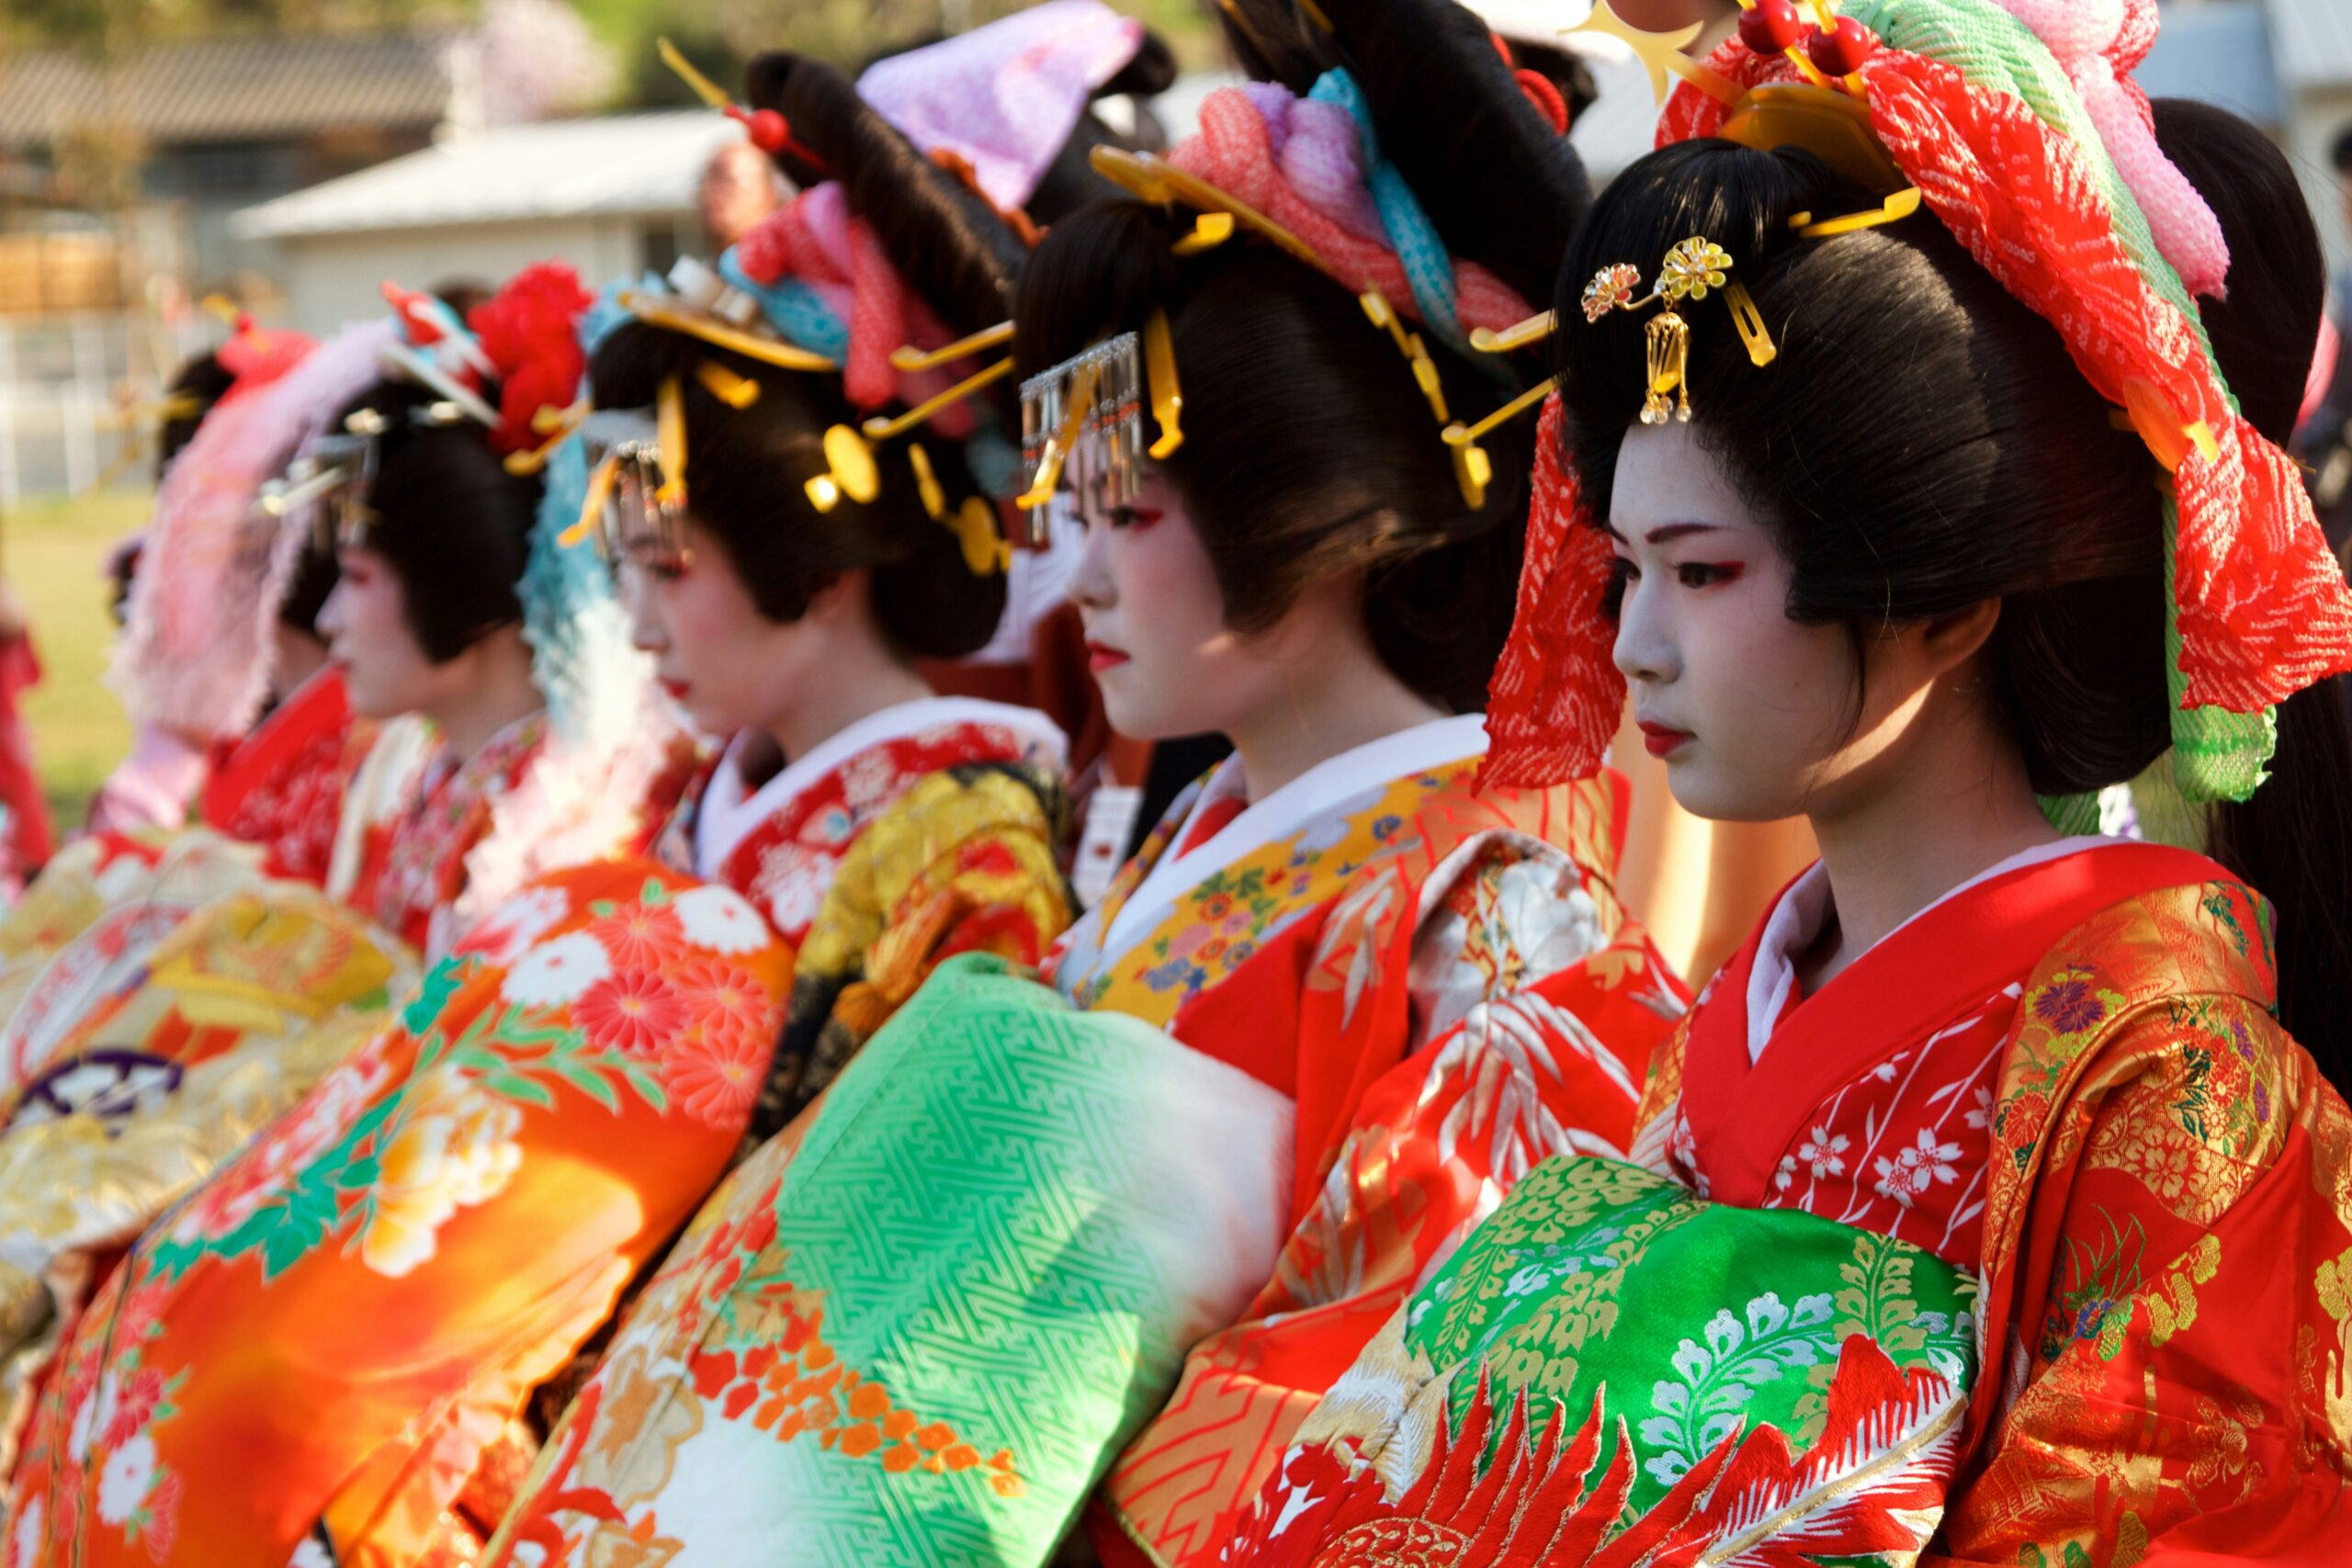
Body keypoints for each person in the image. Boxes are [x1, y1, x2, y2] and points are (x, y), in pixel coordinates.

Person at [1214, 3, 2352, 1561]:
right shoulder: (1751, 994)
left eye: (1700, 570)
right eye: (1622, 570)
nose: (1635, 649)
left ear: (1947, 598)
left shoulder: (2172, 1080)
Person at [0, 262, 725, 1565]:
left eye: (363, 575)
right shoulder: (424, 774)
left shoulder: (580, 829)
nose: (325, 615)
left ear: (460, 581)